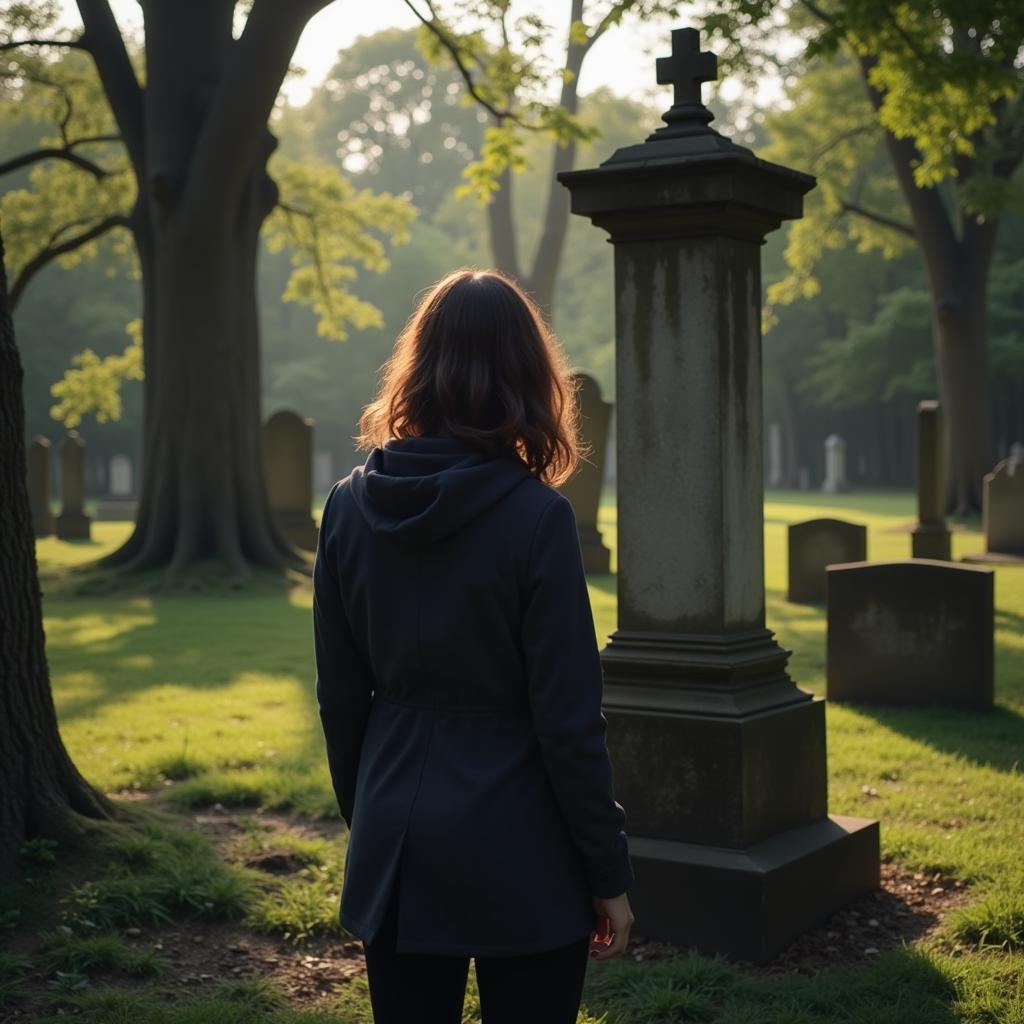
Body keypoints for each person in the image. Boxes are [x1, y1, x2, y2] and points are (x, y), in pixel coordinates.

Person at [313, 268, 635, 1024]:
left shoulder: (347, 509)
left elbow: (338, 699)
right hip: (522, 853)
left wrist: (376, 821)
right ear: (527, 377)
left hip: (395, 846)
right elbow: (568, 723)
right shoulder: (538, 520)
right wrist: (608, 873)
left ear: (417, 370)